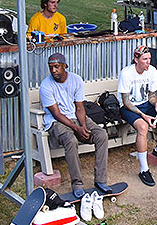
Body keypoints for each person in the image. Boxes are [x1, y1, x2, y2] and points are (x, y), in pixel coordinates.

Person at [38, 52, 112, 197]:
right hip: (55, 122)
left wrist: (83, 126)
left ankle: (101, 180)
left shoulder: (76, 79)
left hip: (76, 117)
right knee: (70, 140)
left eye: (57, 67)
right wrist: (77, 128)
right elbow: (57, 114)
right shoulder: (46, 86)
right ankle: (77, 183)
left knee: (101, 135)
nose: (54, 71)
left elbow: (80, 107)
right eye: (51, 67)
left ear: (65, 66)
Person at [117, 45, 157, 186]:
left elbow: (152, 95)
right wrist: (143, 115)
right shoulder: (126, 73)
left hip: (146, 104)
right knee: (143, 127)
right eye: (145, 59)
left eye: (149, 59)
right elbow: (126, 101)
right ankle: (144, 170)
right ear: (136, 59)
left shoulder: (151, 70)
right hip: (129, 108)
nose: (148, 62)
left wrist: (156, 104)